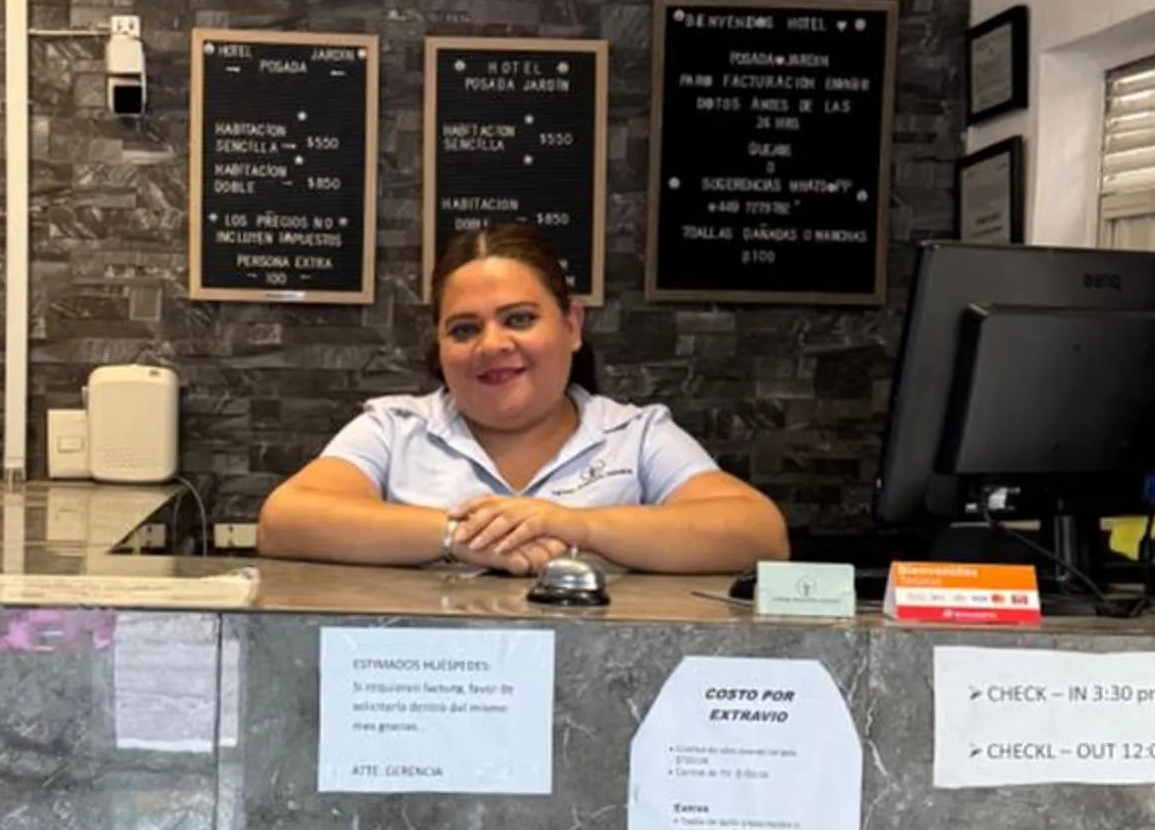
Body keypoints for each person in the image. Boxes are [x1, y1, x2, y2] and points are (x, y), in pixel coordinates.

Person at [256, 222, 790, 577]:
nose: (492, 346)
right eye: (464, 329)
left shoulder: (637, 435)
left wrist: (573, 524)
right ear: (439, 346)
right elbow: (286, 519)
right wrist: (456, 536)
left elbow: (758, 534)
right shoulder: (394, 429)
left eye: (519, 319)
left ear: (572, 324)